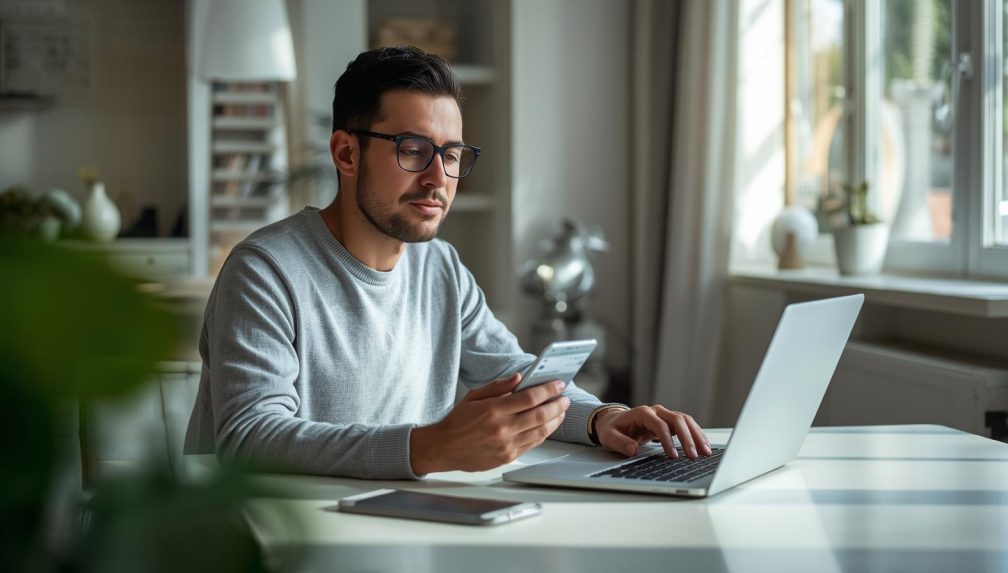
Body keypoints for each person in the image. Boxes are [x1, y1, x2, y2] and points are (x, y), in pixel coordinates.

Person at [184, 46, 713, 479]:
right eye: (413, 149)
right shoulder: (265, 269)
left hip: (399, 522)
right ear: (346, 154)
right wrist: (430, 448)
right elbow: (249, 436)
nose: (438, 178)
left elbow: (518, 377)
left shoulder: (440, 267)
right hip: (274, 538)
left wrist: (603, 418)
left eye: (452, 155)